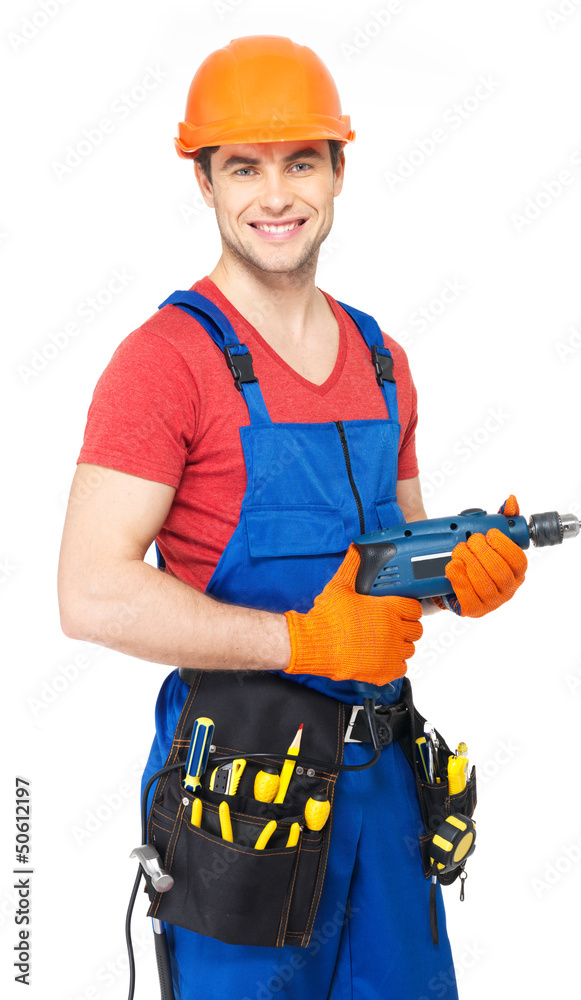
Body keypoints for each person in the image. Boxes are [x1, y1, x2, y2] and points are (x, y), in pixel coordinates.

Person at [57, 35, 527, 1000]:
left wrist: (463, 575)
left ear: (340, 170)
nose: (276, 196)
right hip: (244, 807)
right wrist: (302, 637)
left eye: (300, 162)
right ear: (204, 182)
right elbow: (90, 592)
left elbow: (394, 570)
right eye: (244, 166)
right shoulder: (164, 363)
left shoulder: (381, 355)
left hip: (384, 787)